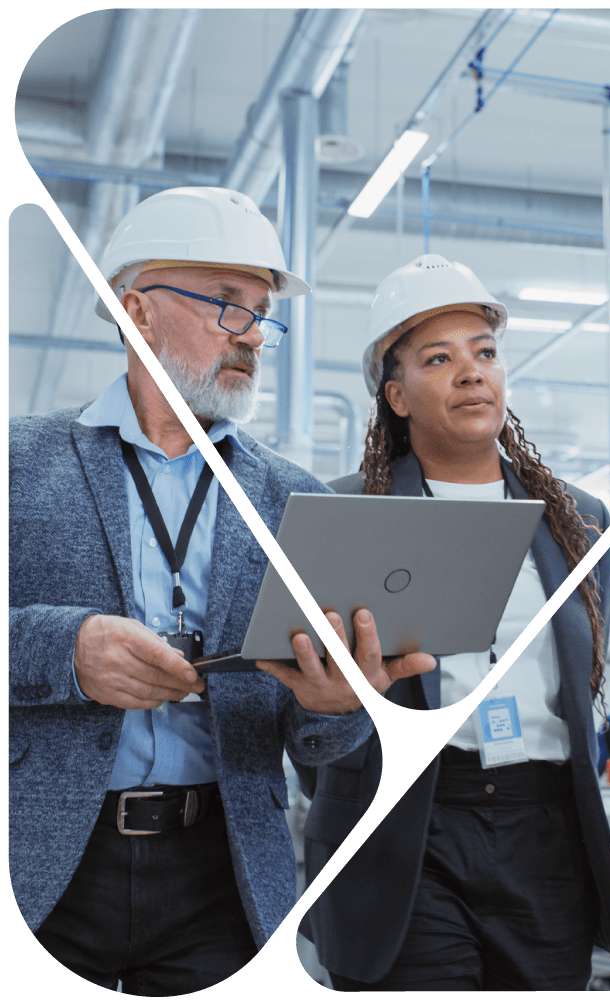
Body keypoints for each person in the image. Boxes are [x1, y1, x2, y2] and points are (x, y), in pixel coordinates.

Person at [7, 186, 433, 995]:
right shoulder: (19, 463)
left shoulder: (297, 500)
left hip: (225, 870)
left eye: (262, 314)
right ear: (136, 309)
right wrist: (67, 651)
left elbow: (310, 741)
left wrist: (340, 706)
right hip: (43, 862)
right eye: (226, 305)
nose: (253, 336)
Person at [297, 254, 610, 991]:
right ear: (396, 394)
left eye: (484, 352)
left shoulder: (578, 519)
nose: (471, 371)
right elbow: (307, 699)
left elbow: (583, 681)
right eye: (439, 358)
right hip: (403, 828)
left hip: (543, 829)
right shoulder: (346, 513)